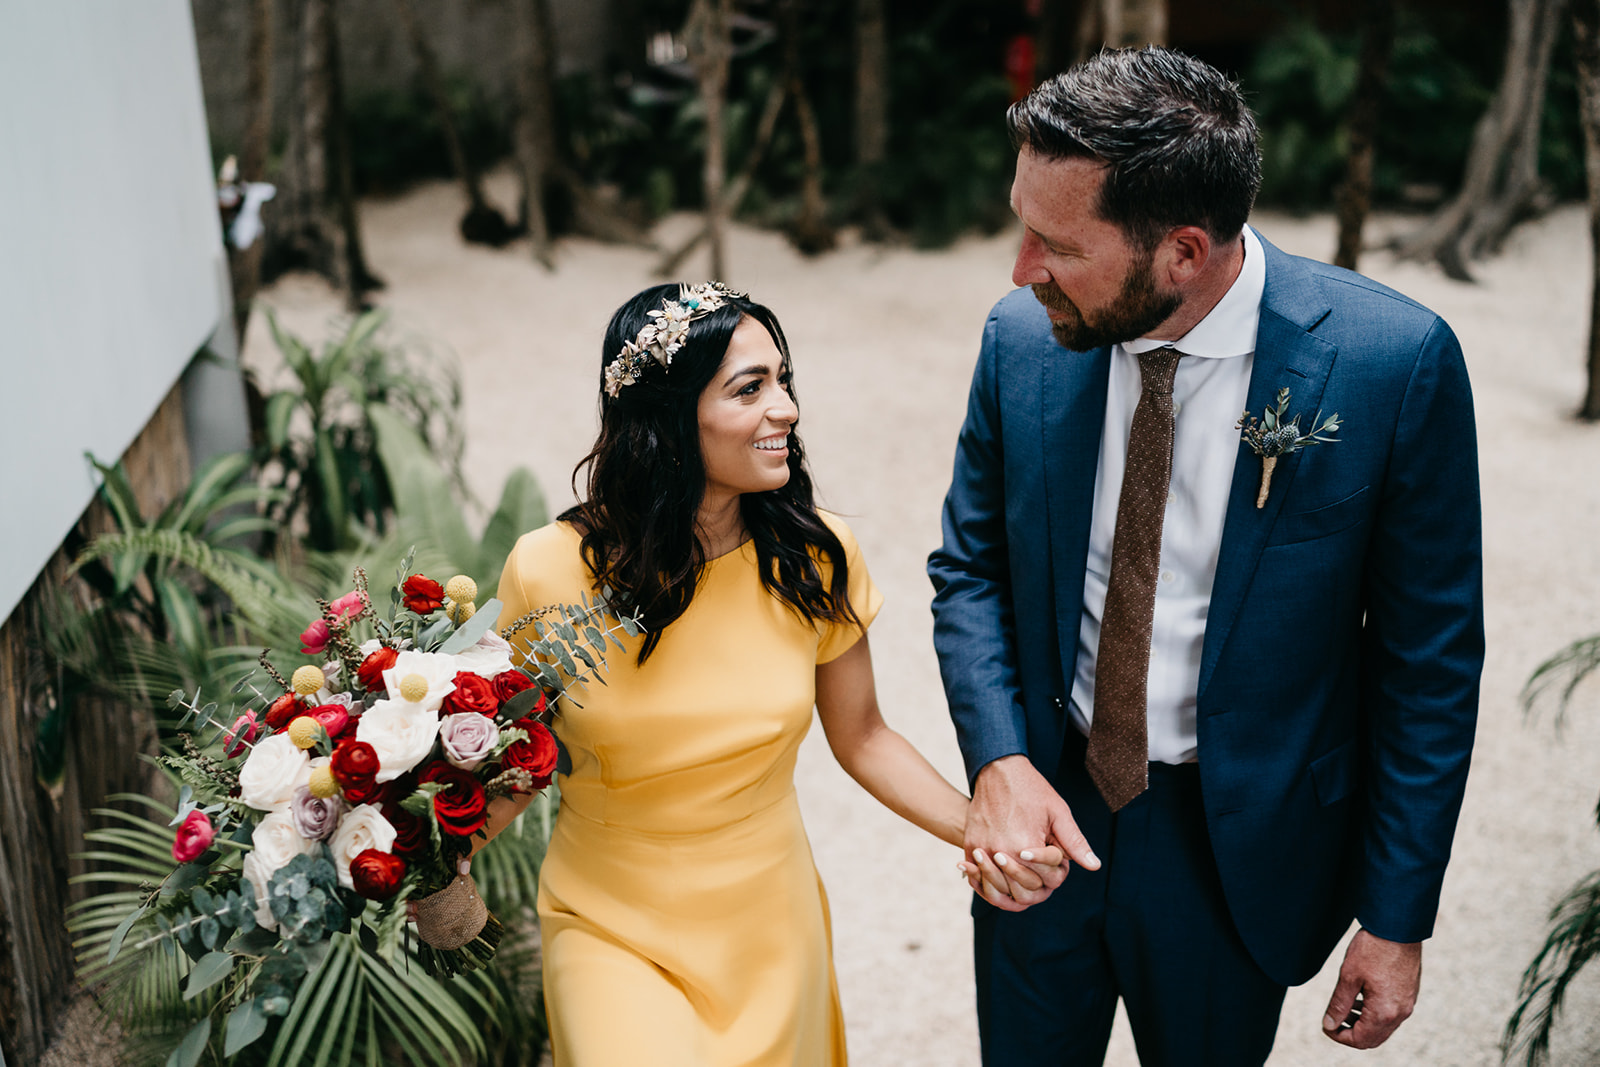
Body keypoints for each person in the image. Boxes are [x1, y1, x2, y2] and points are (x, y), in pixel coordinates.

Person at [928, 47, 1484, 1066]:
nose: (1019, 271)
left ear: (1182, 253)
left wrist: (1396, 916)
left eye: (1054, 243)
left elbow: (1428, 662)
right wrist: (1000, 758)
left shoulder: (1390, 365)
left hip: (1239, 849)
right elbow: (969, 569)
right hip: (1043, 813)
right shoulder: (1019, 342)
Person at [451, 282, 1058, 1066]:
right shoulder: (546, 569)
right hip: (607, 922)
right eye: (751, 388)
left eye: (784, 380)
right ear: (670, 417)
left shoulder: (816, 557)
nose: (787, 409)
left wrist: (980, 826)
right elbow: (515, 756)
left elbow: (864, 736)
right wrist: (416, 847)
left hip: (768, 924)